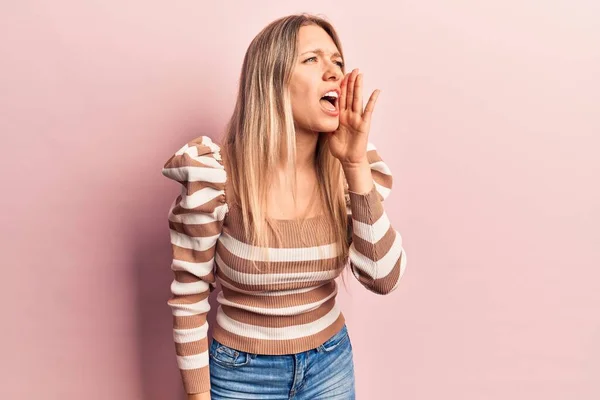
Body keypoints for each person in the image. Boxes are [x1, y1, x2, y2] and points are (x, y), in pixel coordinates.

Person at [161, 13, 407, 400]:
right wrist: (196, 395)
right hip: (241, 375)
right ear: (272, 81)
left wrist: (356, 165)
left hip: (330, 365)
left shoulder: (348, 171)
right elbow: (189, 298)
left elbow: (384, 278)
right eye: (312, 60)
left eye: (337, 62)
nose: (334, 73)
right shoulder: (217, 176)